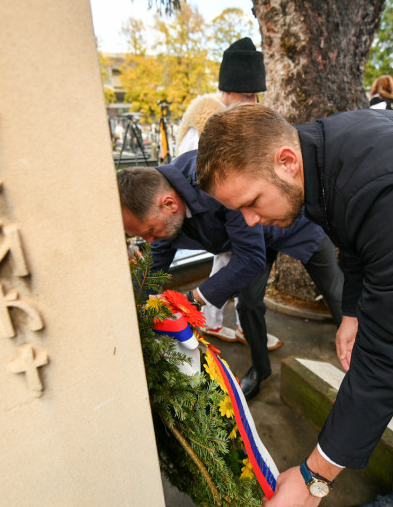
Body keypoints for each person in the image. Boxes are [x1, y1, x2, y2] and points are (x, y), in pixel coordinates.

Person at [196, 103, 393, 507]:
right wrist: (351, 312)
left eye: (253, 202)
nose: (251, 221)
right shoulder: (321, 152)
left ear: (286, 161)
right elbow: (354, 244)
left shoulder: (385, 187)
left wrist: (315, 478)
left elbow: (391, 353)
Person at [117, 150, 344, 401]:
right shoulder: (157, 202)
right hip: (249, 242)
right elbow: (153, 270)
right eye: (142, 236)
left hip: (294, 225)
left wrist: (192, 299)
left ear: (169, 204)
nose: (149, 240)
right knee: (247, 305)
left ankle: (360, 351)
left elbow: (250, 259)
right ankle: (260, 369)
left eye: (150, 231)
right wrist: (135, 313)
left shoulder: (218, 176)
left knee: (336, 293)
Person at [175, 37, 282, 351]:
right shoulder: (203, 127)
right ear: (227, 91)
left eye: (255, 94)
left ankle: (223, 322)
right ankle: (219, 323)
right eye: (245, 94)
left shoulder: (234, 119)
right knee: (230, 263)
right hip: (214, 210)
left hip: (236, 206)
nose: (252, 100)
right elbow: (192, 174)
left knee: (232, 263)